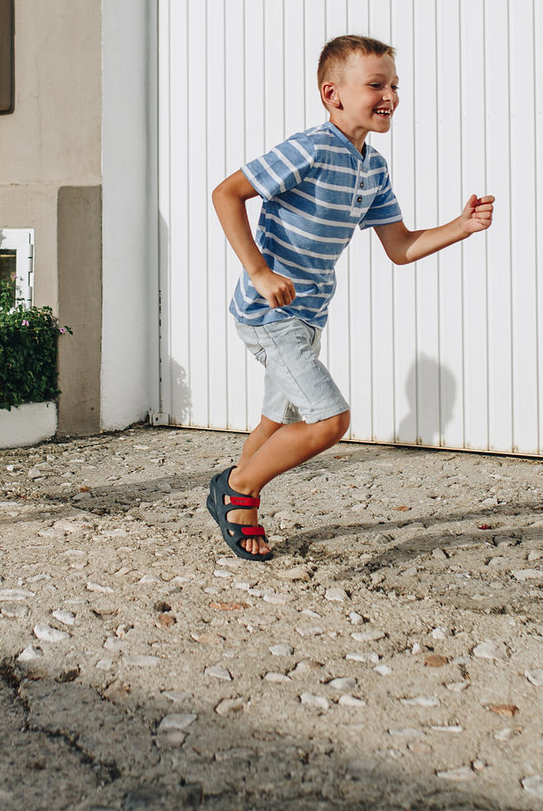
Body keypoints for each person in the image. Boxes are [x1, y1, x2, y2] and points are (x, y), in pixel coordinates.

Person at [206, 34, 494, 561]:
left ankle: (236, 497)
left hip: (310, 314)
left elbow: (401, 247)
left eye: (394, 86)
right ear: (332, 94)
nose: (390, 96)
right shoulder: (310, 149)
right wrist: (259, 270)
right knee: (328, 420)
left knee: (277, 423)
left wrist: (461, 226)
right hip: (270, 312)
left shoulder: (373, 168)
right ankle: (237, 489)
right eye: (376, 85)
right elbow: (227, 193)